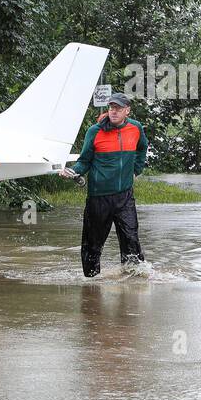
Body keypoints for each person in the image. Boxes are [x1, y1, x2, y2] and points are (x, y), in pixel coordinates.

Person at [59, 92, 148, 277]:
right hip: (99, 197)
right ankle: (91, 283)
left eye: (118, 108)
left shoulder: (135, 128)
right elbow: (84, 160)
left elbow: (142, 148)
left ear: (127, 111)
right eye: (111, 108)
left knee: (131, 239)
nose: (113, 112)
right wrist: (73, 171)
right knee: (93, 244)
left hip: (124, 196)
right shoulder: (95, 131)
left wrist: (136, 170)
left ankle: (133, 281)